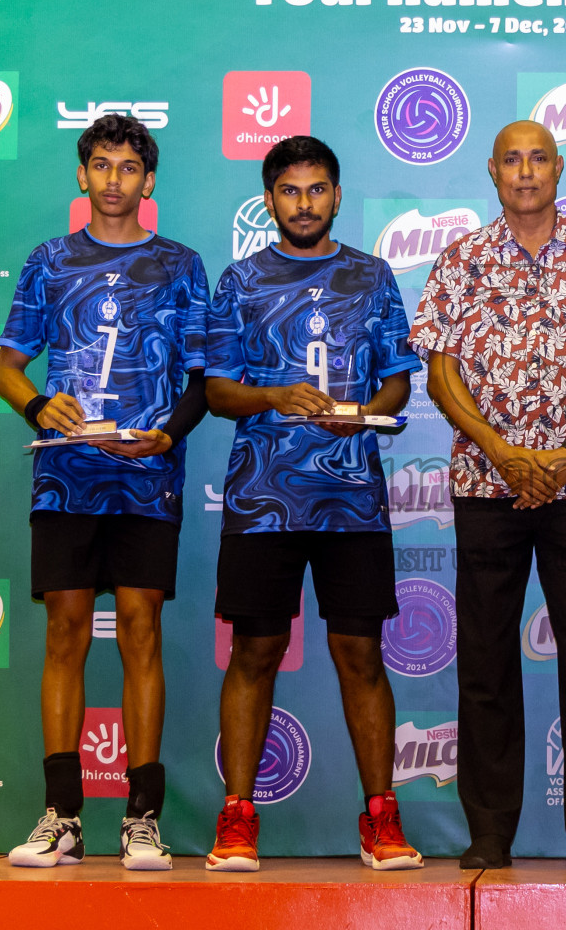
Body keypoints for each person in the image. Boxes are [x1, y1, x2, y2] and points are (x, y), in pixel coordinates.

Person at [202, 136, 424, 873]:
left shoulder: (371, 275)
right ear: (270, 198)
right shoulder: (239, 281)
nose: (305, 203)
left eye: (318, 189)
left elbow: (398, 381)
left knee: (360, 653)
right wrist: (274, 396)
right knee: (255, 651)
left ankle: (382, 817)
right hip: (264, 499)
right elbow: (216, 391)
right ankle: (237, 818)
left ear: (336, 194)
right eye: (290, 191)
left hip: (351, 499)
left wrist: (361, 409)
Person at [410, 120, 566, 875]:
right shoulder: (462, 260)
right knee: (488, 660)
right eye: (513, 159)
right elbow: (440, 374)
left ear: (559, 168)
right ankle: (490, 831)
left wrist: (564, 456)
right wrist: (502, 452)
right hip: (485, 483)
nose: (526, 172)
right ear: (492, 170)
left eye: (539, 158)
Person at [0, 113, 209, 871]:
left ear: (148, 183)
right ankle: (62, 817)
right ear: (82, 175)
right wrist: (33, 404)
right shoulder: (48, 261)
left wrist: (169, 434)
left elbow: (203, 379)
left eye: (129, 168)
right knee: (66, 634)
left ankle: (142, 821)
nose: (114, 179)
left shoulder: (181, 265)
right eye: (102, 165)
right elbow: (7, 365)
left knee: (143, 630)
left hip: (148, 478)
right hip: (65, 476)